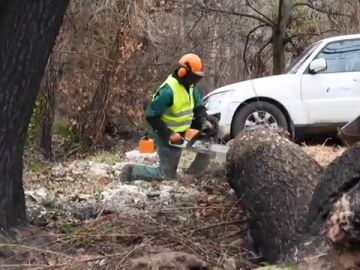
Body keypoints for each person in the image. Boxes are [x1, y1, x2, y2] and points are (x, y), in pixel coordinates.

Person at [120, 53, 218, 182]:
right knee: (166, 175)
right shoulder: (168, 91)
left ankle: (196, 171)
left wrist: (204, 121)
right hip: (166, 134)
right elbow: (151, 116)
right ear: (183, 72)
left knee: (212, 129)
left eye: (197, 78)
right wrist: (168, 134)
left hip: (184, 130)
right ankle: (131, 171)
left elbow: (199, 109)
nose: (195, 81)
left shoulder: (190, 89)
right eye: (194, 78)